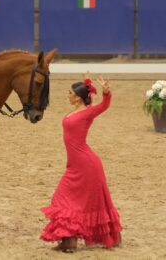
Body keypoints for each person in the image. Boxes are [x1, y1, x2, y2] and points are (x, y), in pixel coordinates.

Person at [40, 74, 122, 253]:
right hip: (75, 165)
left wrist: (106, 93)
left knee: (65, 198)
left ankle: (71, 241)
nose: (67, 95)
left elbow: (104, 106)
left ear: (77, 97)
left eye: (70, 92)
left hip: (87, 165)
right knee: (72, 200)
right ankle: (69, 241)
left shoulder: (88, 112)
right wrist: (87, 84)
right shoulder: (79, 109)